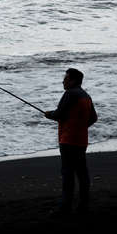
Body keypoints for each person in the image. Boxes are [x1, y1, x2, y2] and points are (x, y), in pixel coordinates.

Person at [45, 68, 97, 215]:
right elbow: (93, 118)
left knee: (68, 173)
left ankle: (65, 207)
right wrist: (80, 127)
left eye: (66, 78)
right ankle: (83, 205)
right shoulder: (86, 96)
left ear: (73, 81)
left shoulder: (70, 94)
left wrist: (49, 114)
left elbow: (58, 114)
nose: (63, 81)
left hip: (68, 140)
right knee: (82, 173)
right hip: (81, 140)